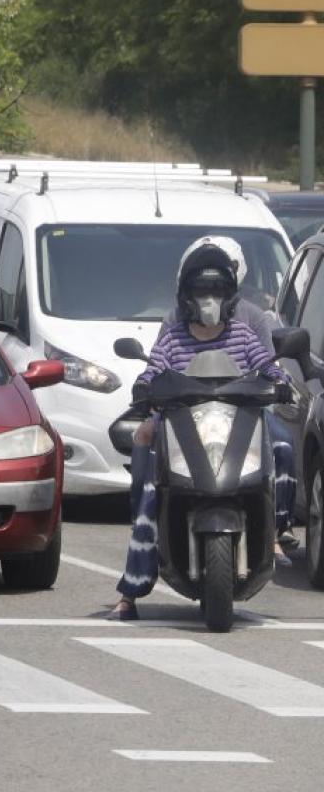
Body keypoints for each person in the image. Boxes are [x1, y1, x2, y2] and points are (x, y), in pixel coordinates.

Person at [108, 240, 297, 620]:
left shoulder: (244, 334)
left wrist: (279, 381)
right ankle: (131, 590)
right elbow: (154, 368)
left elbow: (266, 366)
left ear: (230, 297)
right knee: (150, 491)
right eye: (200, 292)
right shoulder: (174, 336)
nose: (208, 300)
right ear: (186, 297)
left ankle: (274, 529)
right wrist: (145, 388)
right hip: (183, 423)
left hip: (236, 423)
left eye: (216, 292)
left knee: (281, 445)